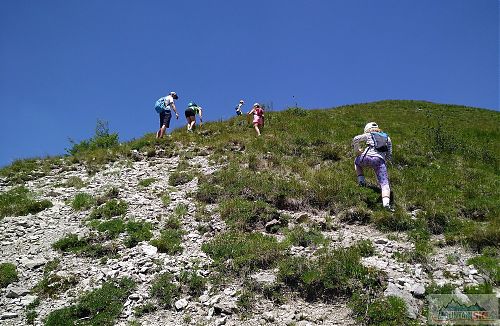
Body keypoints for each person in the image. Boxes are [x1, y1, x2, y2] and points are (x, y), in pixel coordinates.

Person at [352, 122, 393, 209]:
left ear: (366, 129)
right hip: (379, 161)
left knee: (356, 162)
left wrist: (357, 150)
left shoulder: (368, 134)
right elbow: (389, 154)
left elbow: (355, 139)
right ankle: (386, 204)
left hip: (366, 157)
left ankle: (361, 182)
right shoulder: (387, 138)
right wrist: (383, 161)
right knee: (384, 184)